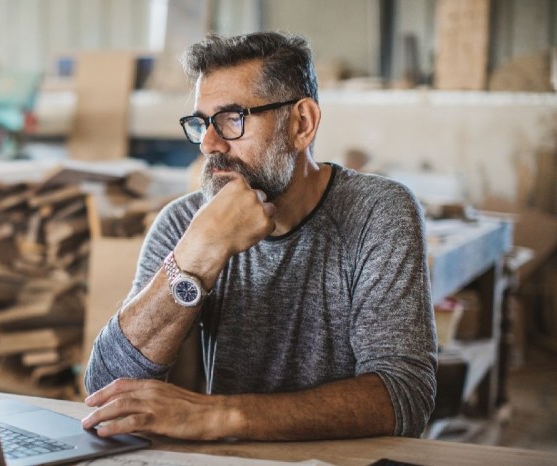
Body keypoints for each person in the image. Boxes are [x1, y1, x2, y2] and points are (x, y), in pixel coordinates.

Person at [82, 31, 436, 441]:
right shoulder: (186, 224)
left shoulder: (378, 212)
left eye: (233, 119)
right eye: (201, 123)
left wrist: (219, 416)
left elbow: (404, 395)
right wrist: (197, 255)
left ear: (302, 123)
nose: (209, 145)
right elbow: (106, 389)